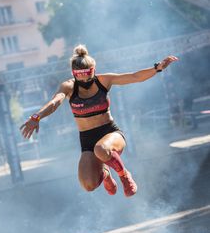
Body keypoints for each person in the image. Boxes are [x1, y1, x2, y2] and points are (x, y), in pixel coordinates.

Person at [20, 45, 178, 197]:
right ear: (74, 73)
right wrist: (37, 116)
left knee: (101, 149)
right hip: (87, 140)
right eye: (79, 75)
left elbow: (134, 77)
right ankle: (106, 174)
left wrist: (157, 68)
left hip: (110, 134)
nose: (84, 79)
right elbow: (55, 102)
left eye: (87, 74)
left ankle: (124, 175)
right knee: (88, 185)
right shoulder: (68, 87)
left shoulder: (103, 80)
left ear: (93, 70)